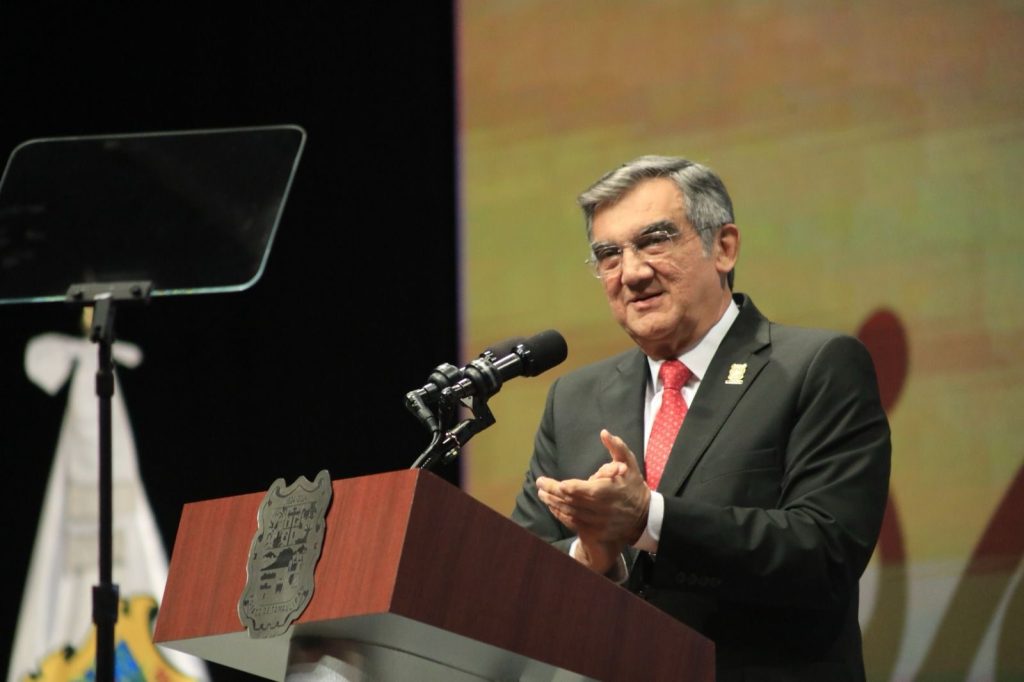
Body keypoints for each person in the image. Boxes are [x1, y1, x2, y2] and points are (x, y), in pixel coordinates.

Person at [511, 155, 891, 681]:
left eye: (654, 241)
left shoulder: (815, 367)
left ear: (724, 247)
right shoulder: (573, 399)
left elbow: (825, 552)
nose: (632, 273)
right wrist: (592, 554)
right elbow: (520, 572)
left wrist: (649, 519)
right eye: (609, 255)